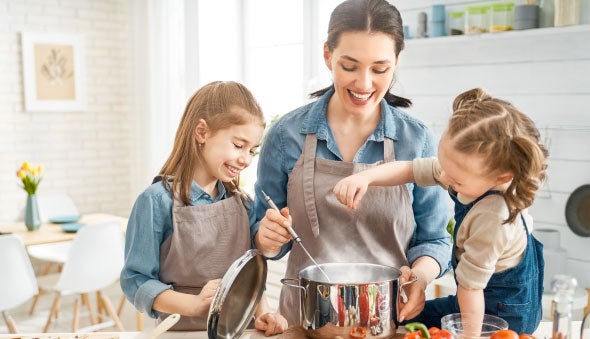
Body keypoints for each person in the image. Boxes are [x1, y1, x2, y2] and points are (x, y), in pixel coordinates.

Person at [252, 0, 451, 326]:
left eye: (380, 69)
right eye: (350, 66)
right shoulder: (285, 136)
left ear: (397, 62)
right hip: (304, 322)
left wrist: (422, 277)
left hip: (386, 320)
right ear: (328, 55)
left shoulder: (417, 140)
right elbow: (261, 237)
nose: (364, 83)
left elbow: (435, 240)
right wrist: (266, 236)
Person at [333, 88, 547, 334]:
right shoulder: (472, 173)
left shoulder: (493, 217)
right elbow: (410, 169)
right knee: (397, 318)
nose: (443, 177)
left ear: (501, 177)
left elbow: (471, 288)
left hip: (500, 315)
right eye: (443, 165)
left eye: (455, 179)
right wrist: (365, 178)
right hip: (472, 302)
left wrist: (469, 335)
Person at [120, 81, 287, 335]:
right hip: (181, 333)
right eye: (238, 145)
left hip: (242, 332)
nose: (245, 159)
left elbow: (250, 276)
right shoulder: (156, 201)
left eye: (252, 150)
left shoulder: (243, 203)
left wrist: (263, 313)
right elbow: (136, 280)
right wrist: (195, 304)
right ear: (201, 132)